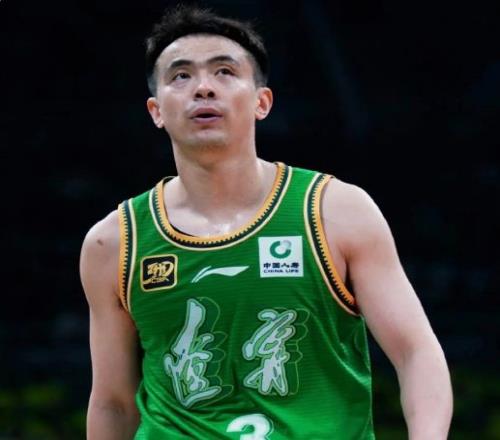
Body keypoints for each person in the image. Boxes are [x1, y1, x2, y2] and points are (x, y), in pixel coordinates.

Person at [79, 5, 453, 439]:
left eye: (224, 72)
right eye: (180, 76)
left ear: (262, 102)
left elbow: (415, 353)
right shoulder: (114, 243)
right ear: (156, 110)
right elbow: (112, 403)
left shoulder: (336, 211)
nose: (203, 88)